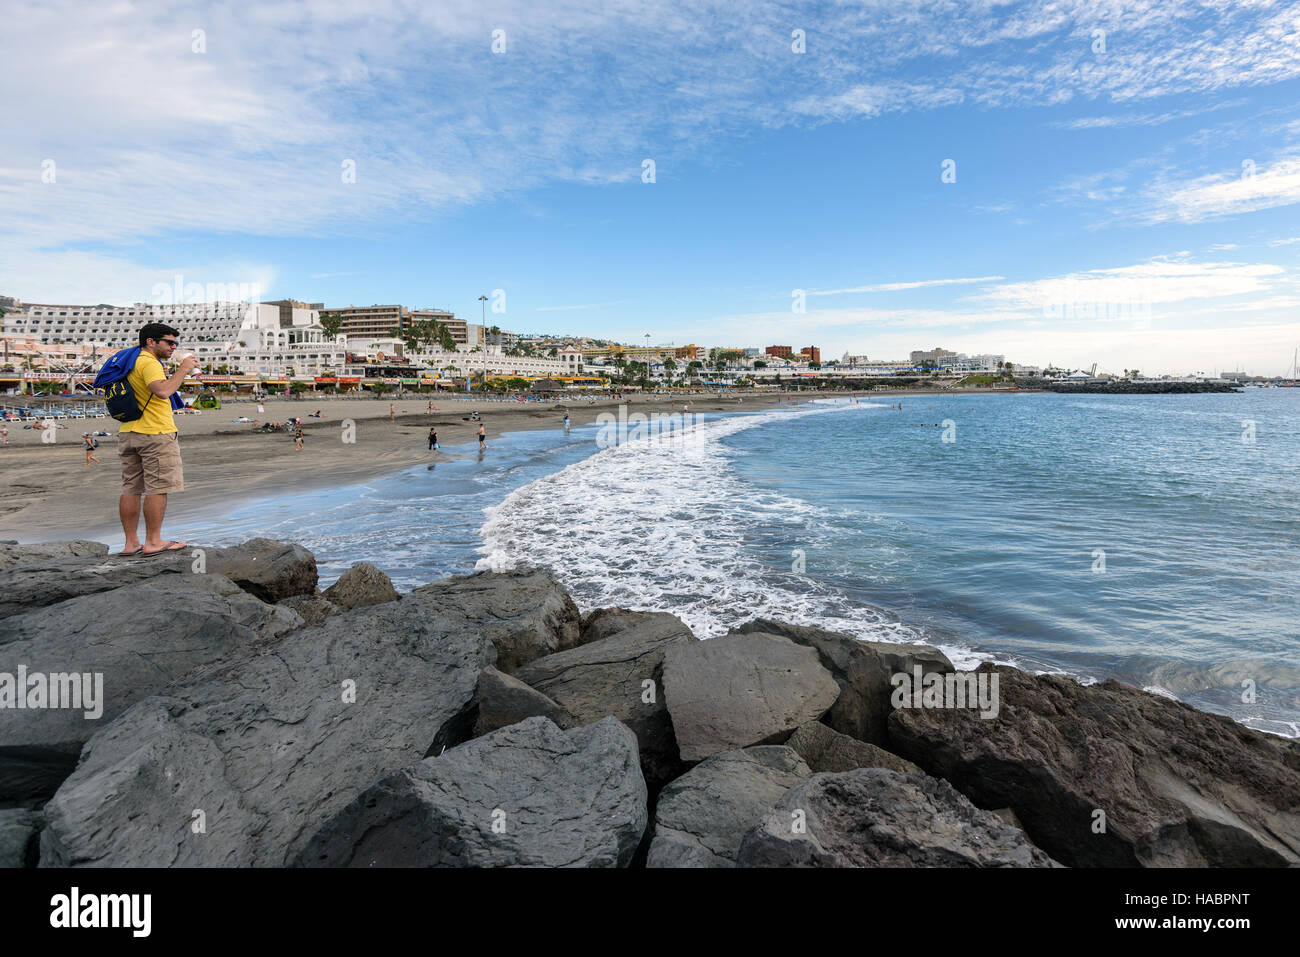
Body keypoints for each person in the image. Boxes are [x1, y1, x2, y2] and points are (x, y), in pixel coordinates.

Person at [117, 322, 197, 556]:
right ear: (151, 342)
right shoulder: (149, 362)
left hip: (129, 431)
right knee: (157, 488)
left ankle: (131, 543)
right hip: (155, 433)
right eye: (169, 342)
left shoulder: (129, 360)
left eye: (175, 343)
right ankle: (153, 542)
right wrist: (183, 369)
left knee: (131, 488)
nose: (173, 347)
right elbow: (162, 391)